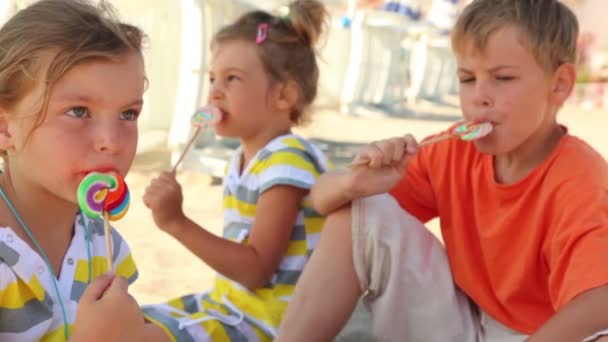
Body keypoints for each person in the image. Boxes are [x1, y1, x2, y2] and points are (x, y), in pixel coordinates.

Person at [277, 0, 608, 341]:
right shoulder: (452, 152)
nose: (479, 96)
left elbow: (598, 302)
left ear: (559, 85)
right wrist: (353, 182)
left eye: (503, 78)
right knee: (359, 210)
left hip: (542, 333)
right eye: (467, 78)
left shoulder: (581, 179)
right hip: (462, 322)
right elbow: (321, 199)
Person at [142, 0, 332, 340]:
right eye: (213, 77)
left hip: (263, 325)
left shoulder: (287, 161)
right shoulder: (246, 159)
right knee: (128, 320)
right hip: (227, 306)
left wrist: (176, 223)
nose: (214, 91)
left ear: (283, 95)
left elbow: (256, 269)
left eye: (233, 79)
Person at [0, 0, 164, 340]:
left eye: (128, 114)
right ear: (4, 127)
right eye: (78, 111)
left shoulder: (104, 245)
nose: (111, 141)